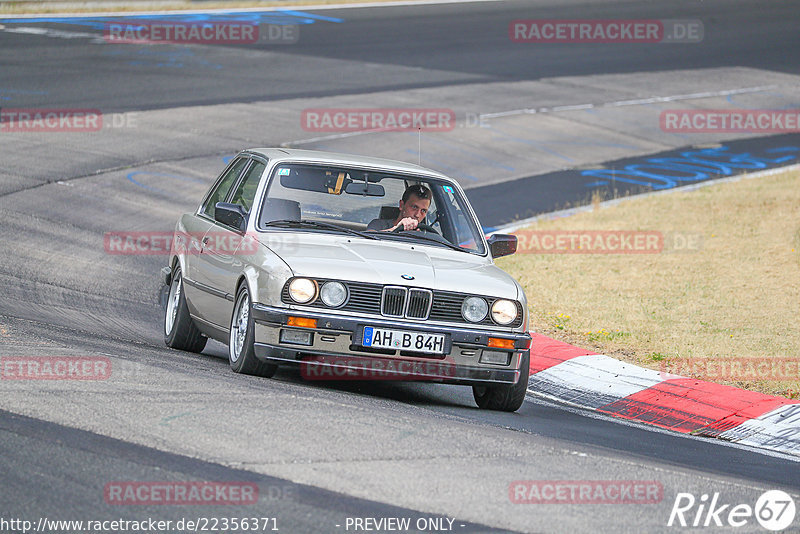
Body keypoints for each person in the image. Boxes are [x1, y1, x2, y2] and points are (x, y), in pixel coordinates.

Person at [367, 184, 431, 232]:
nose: (417, 215)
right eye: (414, 207)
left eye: (423, 211)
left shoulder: (425, 234)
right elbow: (368, 240)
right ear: (401, 205)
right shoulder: (379, 224)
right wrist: (396, 229)